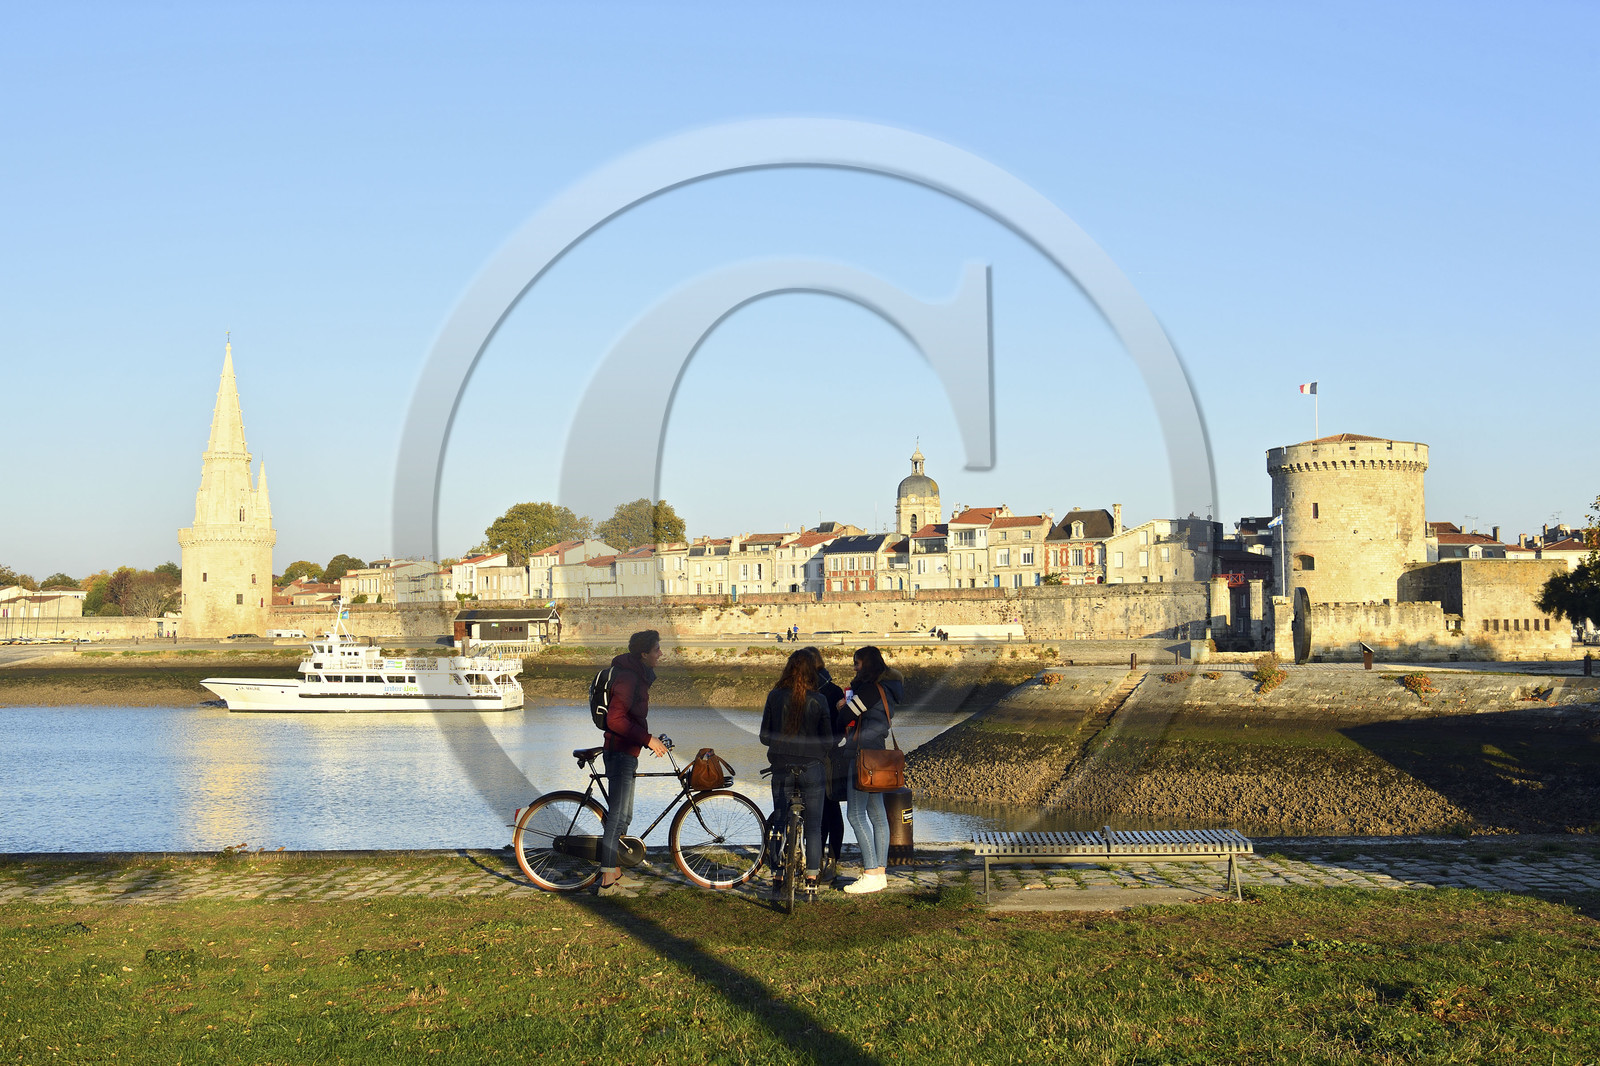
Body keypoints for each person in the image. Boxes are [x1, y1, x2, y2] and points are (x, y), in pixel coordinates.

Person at [597, 630, 668, 894]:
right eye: (657, 649)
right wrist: (647, 739)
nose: (661, 654)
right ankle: (606, 882)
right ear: (644, 654)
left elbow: (632, 717)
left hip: (628, 752)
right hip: (618, 753)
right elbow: (616, 720)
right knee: (617, 816)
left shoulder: (637, 676)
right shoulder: (628, 678)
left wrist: (647, 738)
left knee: (624, 815)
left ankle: (615, 872)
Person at [760, 649, 833, 895]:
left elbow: (764, 736)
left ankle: (777, 876)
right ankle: (812, 878)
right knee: (814, 824)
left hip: (781, 766)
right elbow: (828, 740)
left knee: (779, 819)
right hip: (812, 767)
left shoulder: (774, 696)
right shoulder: (819, 699)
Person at [838, 645, 904, 894]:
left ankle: (870, 873)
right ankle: (880, 873)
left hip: (861, 755)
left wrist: (842, 705)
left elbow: (844, 718)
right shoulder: (888, 689)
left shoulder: (868, 690)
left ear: (866, 664)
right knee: (877, 816)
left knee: (855, 815)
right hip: (877, 754)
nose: (854, 667)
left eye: (856, 663)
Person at [802, 646, 847, 879]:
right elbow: (842, 729)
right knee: (830, 809)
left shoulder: (811, 691)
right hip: (830, 757)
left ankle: (820, 859)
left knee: (820, 810)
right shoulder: (834, 690)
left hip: (821, 758)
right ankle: (830, 859)